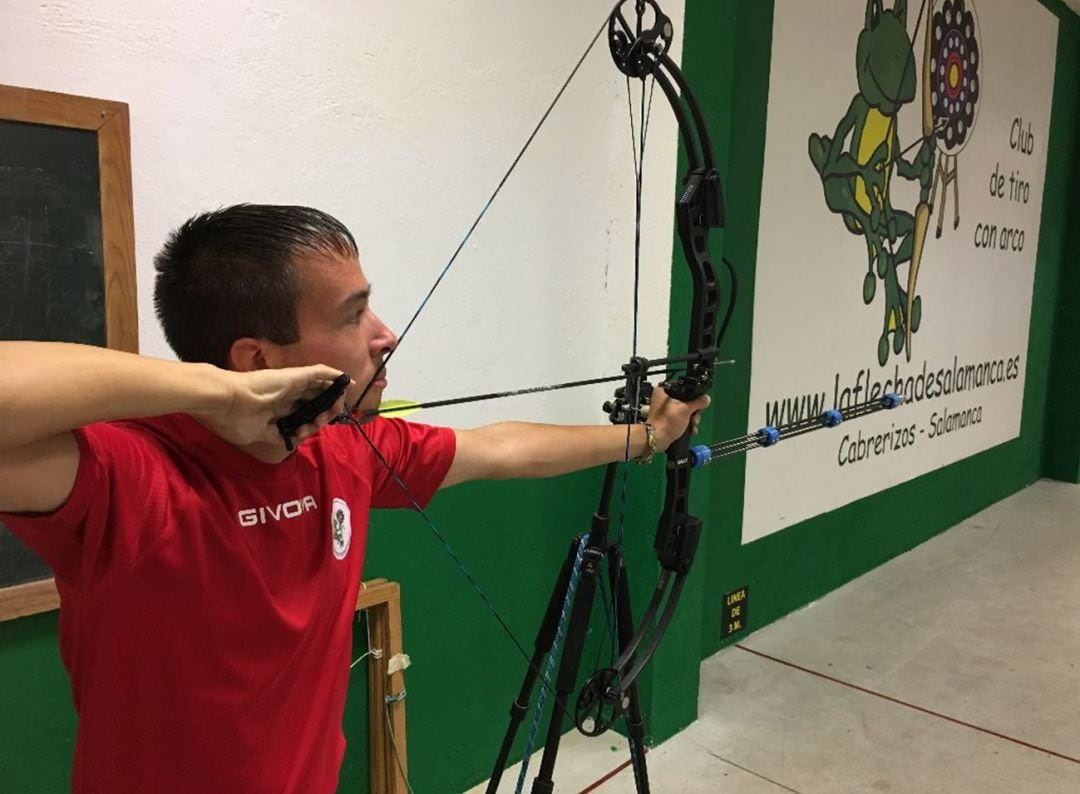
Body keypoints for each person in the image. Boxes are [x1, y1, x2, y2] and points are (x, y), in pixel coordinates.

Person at [0, 204, 708, 793]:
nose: (384, 335)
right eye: (352, 315)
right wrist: (213, 394)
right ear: (257, 360)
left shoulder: (344, 446)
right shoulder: (132, 473)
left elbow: (500, 448)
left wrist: (648, 437)